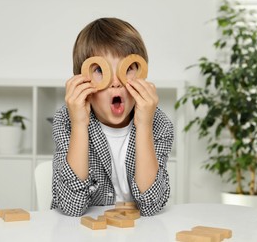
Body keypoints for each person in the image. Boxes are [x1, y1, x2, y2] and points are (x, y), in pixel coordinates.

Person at [51, 17, 174, 217]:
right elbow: (70, 207)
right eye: (100, 70)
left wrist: (144, 125)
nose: (116, 82)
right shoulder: (67, 120)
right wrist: (79, 124)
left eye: (127, 69)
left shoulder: (159, 123)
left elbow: (152, 205)